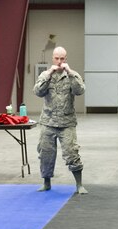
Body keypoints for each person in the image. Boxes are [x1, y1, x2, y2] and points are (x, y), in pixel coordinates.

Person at [33, 46, 87, 194]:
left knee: (72, 153)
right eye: (56, 58)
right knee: (45, 153)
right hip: (48, 121)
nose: (59, 61)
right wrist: (49, 73)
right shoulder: (45, 75)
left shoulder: (72, 75)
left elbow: (80, 90)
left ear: (66, 59)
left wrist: (69, 73)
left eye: (62, 58)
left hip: (66, 122)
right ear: (52, 58)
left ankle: (79, 184)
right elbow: (37, 91)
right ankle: (46, 182)